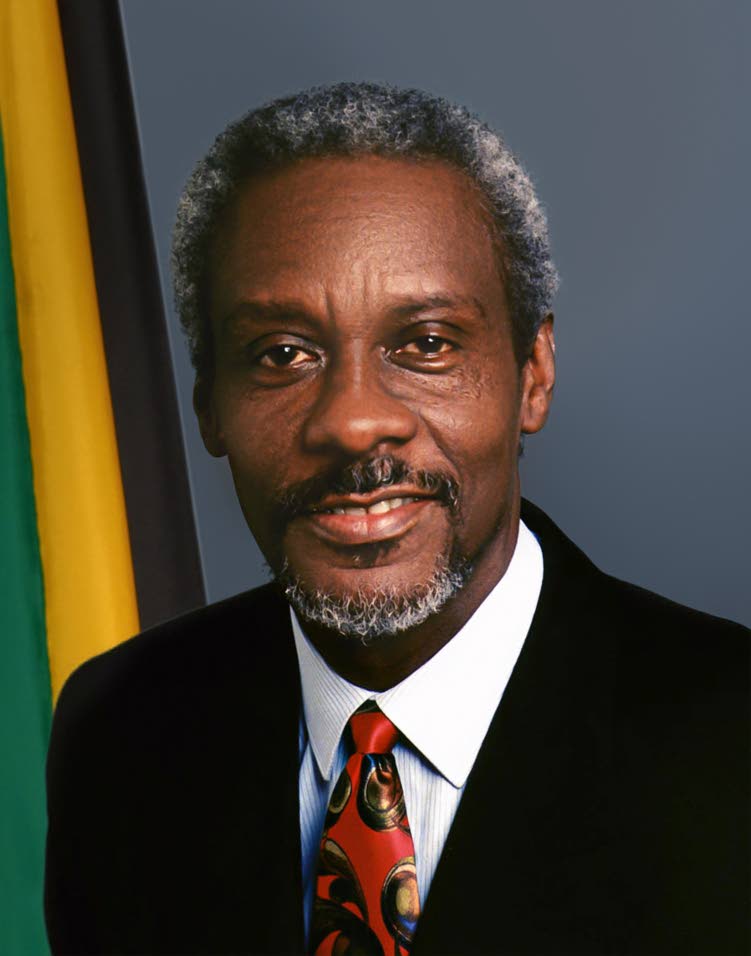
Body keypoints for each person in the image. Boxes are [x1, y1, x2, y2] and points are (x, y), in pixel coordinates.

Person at [44, 82, 748, 956]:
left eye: (425, 344)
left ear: (532, 373)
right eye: (282, 353)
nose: (351, 421)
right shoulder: (119, 731)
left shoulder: (730, 746)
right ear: (208, 406)